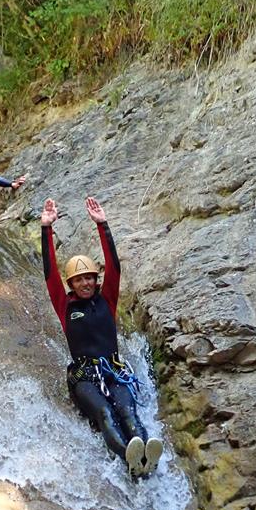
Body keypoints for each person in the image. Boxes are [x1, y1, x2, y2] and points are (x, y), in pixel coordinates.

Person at [41, 196, 162, 477]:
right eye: (79, 279)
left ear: (96, 280)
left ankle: (147, 454)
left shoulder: (107, 299)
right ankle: (130, 460)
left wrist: (103, 225)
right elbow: (49, 273)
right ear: (71, 284)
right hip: (84, 378)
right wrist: (46, 229)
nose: (85, 283)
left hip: (114, 372)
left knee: (129, 413)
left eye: (90, 278)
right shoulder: (65, 305)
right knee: (106, 414)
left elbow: (115, 266)